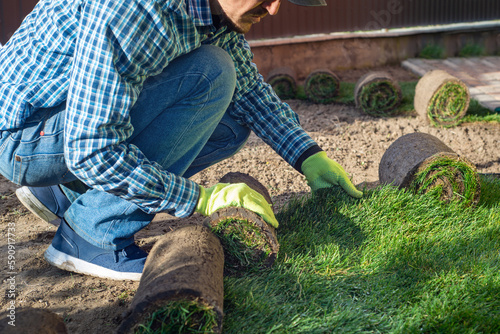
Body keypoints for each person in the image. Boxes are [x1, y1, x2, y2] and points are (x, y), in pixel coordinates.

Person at [0, 0, 362, 281]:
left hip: (62, 121)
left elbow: (249, 92)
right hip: (25, 138)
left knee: (231, 118)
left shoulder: (209, 12)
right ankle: (91, 233)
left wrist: (308, 155)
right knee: (211, 74)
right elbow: (91, 147)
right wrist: (200, 199)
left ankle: (70, 192)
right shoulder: (135, 10)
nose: (274, 8)